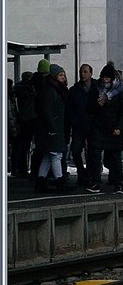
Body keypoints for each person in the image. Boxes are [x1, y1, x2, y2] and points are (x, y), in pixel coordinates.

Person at [86, 62, 123, 193]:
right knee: (95, 156)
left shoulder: (119, 91)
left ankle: (119, 183)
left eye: (107, 78)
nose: (105, 80)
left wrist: (119, 127)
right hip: (98, 127)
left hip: (114, 128)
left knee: (115, 158)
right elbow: (88, 108)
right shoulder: (95, 89)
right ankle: (96, 182)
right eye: (103, 77)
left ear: (112, 78)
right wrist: (97, 104)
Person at [34, 64, 69, 192]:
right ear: (54, 76)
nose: (63, 77)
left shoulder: (50, 89)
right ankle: (60, 182)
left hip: (51, 128)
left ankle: (40, 182)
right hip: (53, 128)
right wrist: (53, 128)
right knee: (56, 155)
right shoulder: (51, 90)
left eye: (63, 75)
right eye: (61, 75)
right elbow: (47, 110)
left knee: (48, 156)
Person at [67, 64, 95, 187]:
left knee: (92, 152)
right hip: (78, 125)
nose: (82, 74)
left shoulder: (96, 88)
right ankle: (81, 172)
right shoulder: (74, 90)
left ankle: (89, 175)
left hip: (93, 125)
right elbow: (70, 108)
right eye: (81, 72)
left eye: (85, 71)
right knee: (76, 150)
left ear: (90, 73)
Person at [11, 72, 36, 179]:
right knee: (25, 145)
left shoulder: (16, 90)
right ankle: (23, 169)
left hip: (19, 120)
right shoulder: (31, 90)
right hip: (29, 120)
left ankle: (17, 169)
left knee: (19, 146)